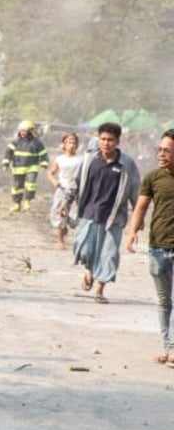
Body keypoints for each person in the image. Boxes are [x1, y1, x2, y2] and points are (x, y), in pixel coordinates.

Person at [62, 122, 140, 304]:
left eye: (110, 140)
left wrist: (138, 217)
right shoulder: (89, 160)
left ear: (118, 141)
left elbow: (135, 191)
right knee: (85, 250)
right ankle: (89, 270)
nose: (106, 143)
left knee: (109, 255)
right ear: (98, 139)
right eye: (103, 139)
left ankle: (99, 289)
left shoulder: (126, 165)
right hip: (88, 212)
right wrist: (66, 202)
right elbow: (75, 183)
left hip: (113, 217)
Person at [126, 129, 174, 365]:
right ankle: (168, 347)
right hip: (158, 246)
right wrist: (133, 232)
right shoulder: (153, 177)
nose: (161, 154)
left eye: (167, 150)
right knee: (164, 300)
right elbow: (141, 207)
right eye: (160, 149)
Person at [3, 120, 48, 212]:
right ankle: (17, 204)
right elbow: (8, 153)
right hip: (18, 167)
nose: (22, 133)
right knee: (17, 186)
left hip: (32, 167)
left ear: (30, 131)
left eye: (24, 130)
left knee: (30, 185)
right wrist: (6, 163)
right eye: (21, 130)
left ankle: (27, 202)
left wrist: (44, 163)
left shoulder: (37, 142)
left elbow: (43, 153)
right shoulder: (15, 141)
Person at [48, 133, 83, 249]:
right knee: (60, 213)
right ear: (64, 144)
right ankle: (60, 241)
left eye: (74, 143)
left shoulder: (81, 160)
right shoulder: (60, 159)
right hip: (62, 189)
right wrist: (54, 181)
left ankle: (67, 228)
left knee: (75, 216)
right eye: (69, 142)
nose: (72, 145)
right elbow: (50, 172)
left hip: (76, 190)